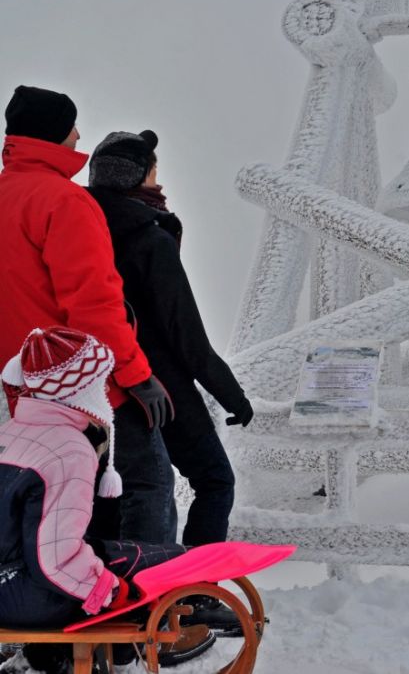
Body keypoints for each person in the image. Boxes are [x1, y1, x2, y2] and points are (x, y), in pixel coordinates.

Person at [87, 130, 253, 633]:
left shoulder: (82, 228)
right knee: (214, 480)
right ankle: (192, 594)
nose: (159, 180)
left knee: (110, 497)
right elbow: (186, 335)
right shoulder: (148, 236)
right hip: (159, 387)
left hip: (93, 386)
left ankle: (112, 593)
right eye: (154, 171)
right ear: (137, 177)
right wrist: (231, 393)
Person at [0, 86, 176, 545]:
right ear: (59, 134)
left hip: (24, 387)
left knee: (69, 494)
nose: (79, 135)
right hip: (84, 384)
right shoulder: (65, 202)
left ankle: (75, 590)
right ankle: (141, 603)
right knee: (147, 481)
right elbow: (94, 305)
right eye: (73, 126)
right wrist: (139, 377)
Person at [0, 326, 213, 674]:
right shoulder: (69, 449)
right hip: (26, 600)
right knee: (133, 566)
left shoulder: (10, 431)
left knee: (104, 555)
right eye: (99, 383)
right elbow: (54, 562)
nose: (103, 391)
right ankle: (139, 640)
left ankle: (46, 660)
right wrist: (114, 593)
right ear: (80, 390)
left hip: (10, 584)